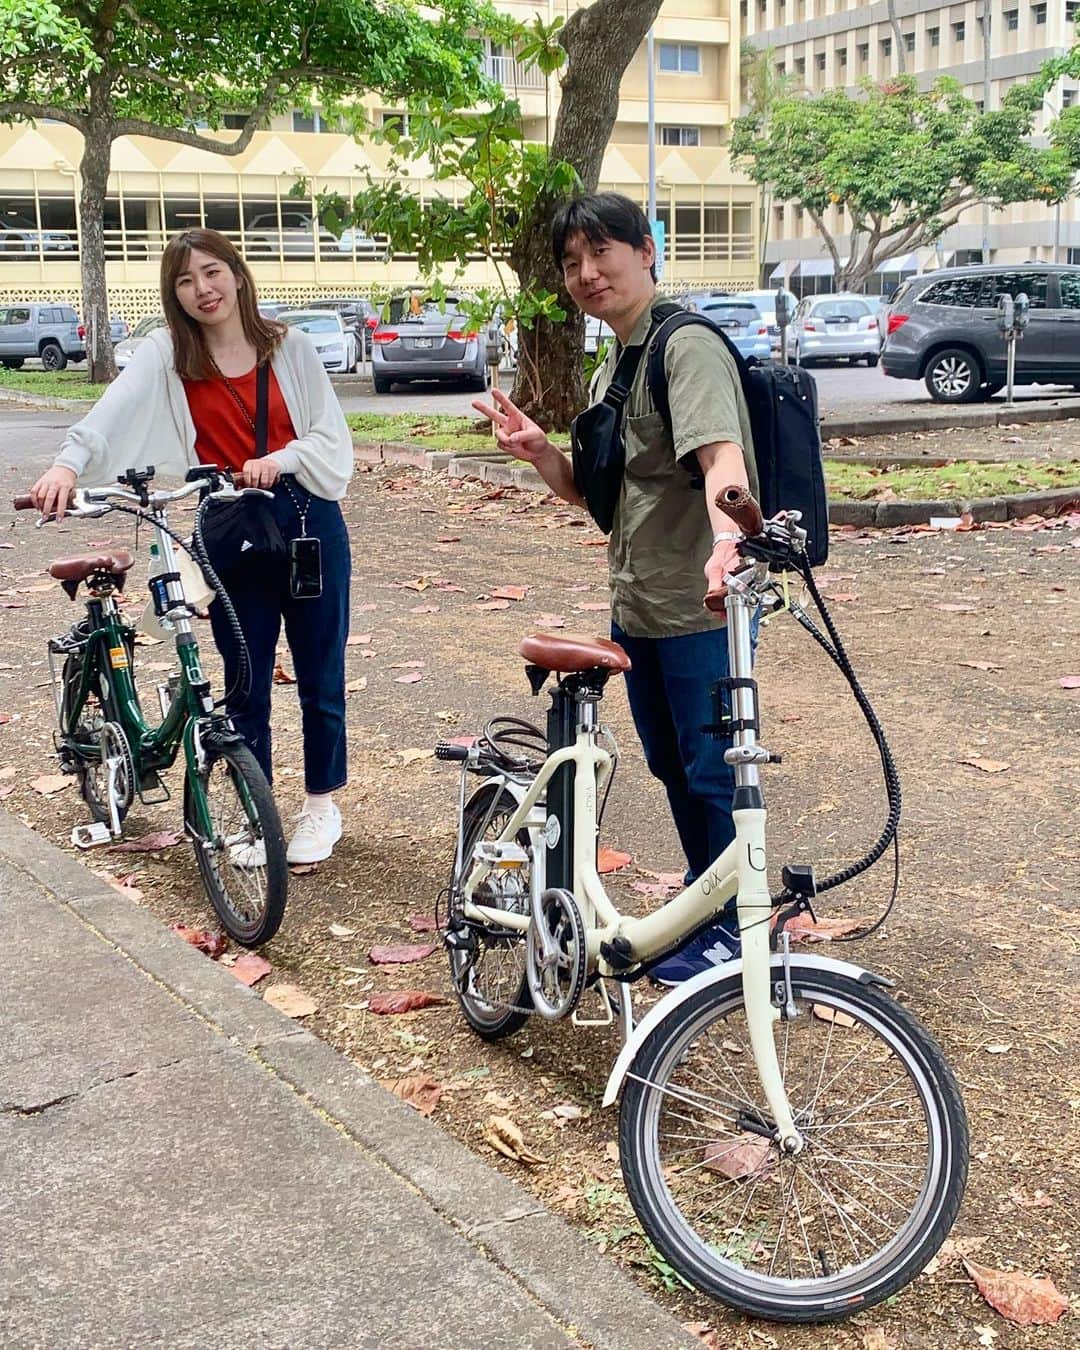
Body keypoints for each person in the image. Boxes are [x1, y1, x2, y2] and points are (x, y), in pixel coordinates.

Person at [473, 192, 759, 984]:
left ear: (646, 252)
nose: (588, 274)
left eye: (603, 253)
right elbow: (606, 497)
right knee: (677, 768)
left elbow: (720, 461)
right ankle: (709, 919)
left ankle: (737, 932)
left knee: (711, 773)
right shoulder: (621, 357)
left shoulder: (684, 347)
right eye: (572, 263)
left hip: (701, 608)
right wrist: (539, 453)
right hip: (641, 607)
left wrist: (730, 540)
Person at [30, 228, 354, 866]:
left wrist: (278, 458)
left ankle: (321, 806)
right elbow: (112, 410)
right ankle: (259, 815)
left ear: (236, 274)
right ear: (173, 294)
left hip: (307, 520)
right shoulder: (166, 354)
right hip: (229, 526)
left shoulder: (289, 348)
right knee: (243, 678)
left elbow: (331, 439)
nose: (202, 289)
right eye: (184, 280)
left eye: (211, 272)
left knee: (320, 673)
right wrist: (68, 465)